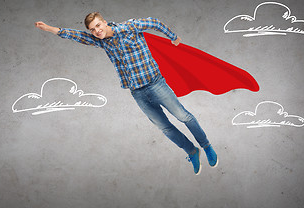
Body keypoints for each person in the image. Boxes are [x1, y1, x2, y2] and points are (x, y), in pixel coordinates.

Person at [35, 12, 218, 175]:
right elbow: (76, 36)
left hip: (156, 84)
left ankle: (206, 146)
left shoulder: (129, 27)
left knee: (183, 116)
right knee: (165, 128)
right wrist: (50, 29)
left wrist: (173, 37)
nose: (96, 31)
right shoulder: (100, 40)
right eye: (92, 29)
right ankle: (192, 152)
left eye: (98, 25)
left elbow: (154, 22)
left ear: (105, 22)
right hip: (137, 92)